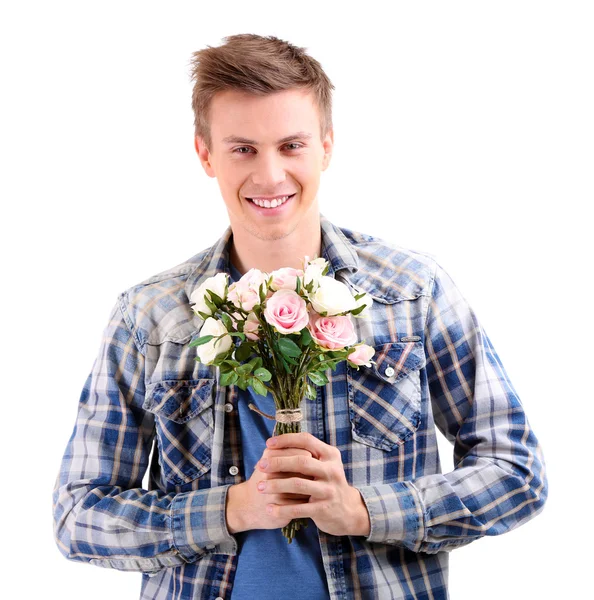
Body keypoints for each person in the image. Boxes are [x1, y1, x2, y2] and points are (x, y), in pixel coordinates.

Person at [52, 33, 548, 600]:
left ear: (327, 146)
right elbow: (78, 514)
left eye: (291, 145)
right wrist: (228, 510)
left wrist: (364, 510)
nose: (269, 176)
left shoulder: (415, 291)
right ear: (205, 154)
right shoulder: (149, 317)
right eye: (242, 148)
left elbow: (517, 472)